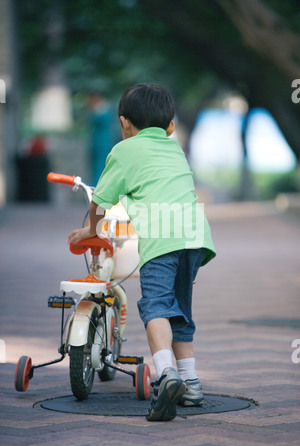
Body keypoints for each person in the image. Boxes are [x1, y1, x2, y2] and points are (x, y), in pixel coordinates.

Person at [68, 84, 216, 421]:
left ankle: (166, 374)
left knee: (156, 305)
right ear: (171, 128)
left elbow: (101, 201)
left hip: (162, 238)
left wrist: (91, 230)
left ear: (124, 123)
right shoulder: (174, 148)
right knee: (179, 309)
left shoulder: (123, 150)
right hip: (195, 235)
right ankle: (191, 384)